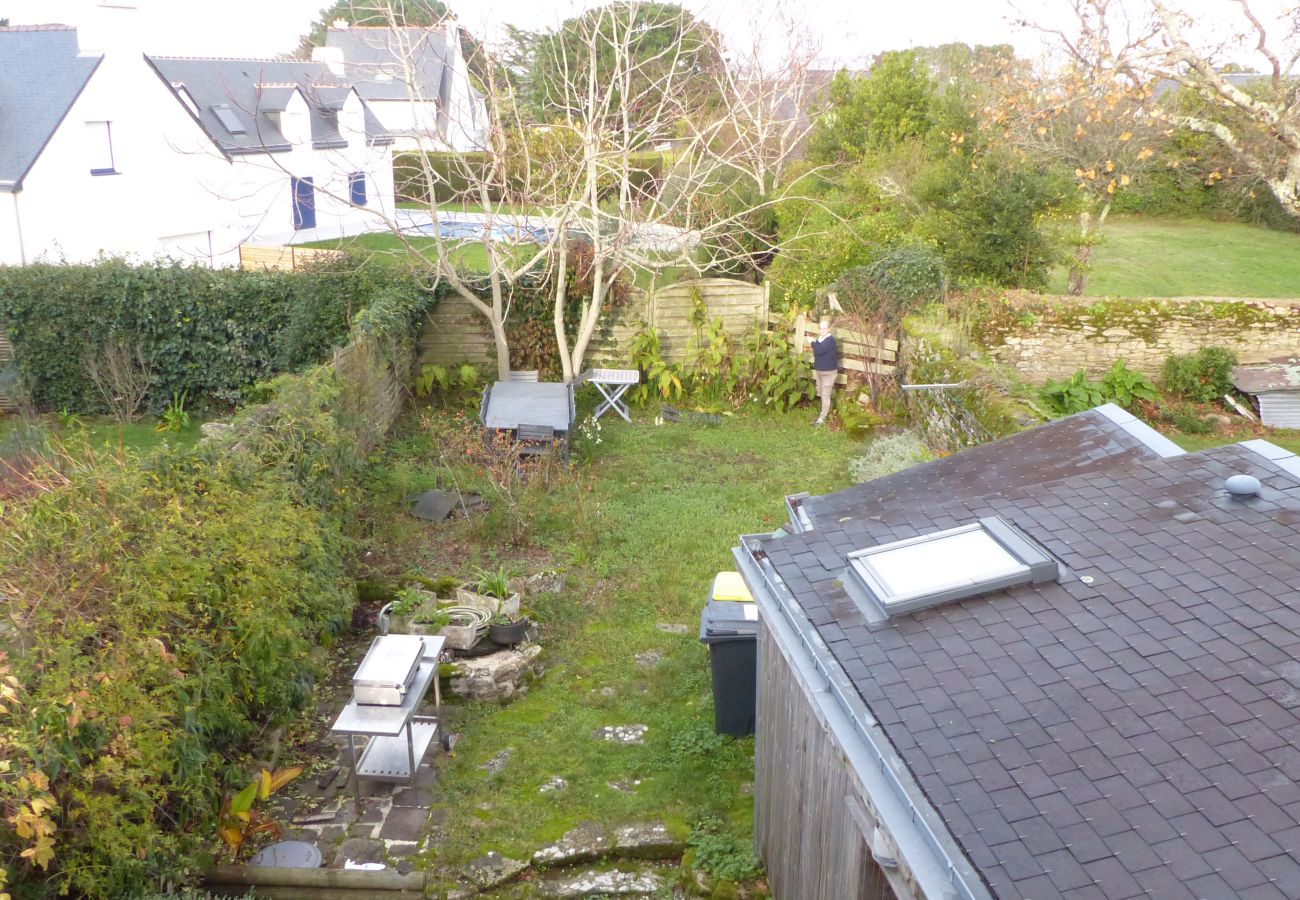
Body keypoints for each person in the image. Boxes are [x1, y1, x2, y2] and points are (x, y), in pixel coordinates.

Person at [808, 316, 839, 427]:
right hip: (820, 371)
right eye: (821, 328)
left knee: (825, 396)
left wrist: (812, 342)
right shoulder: (820, 339)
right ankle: (823, 413)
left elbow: (818, 350)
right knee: (821, 393)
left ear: (829, 329)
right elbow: (817, 352)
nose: (822, 330)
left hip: (829, 373)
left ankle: (822, 418)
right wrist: (814, 342)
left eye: (824, 328)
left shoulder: (830, 340)